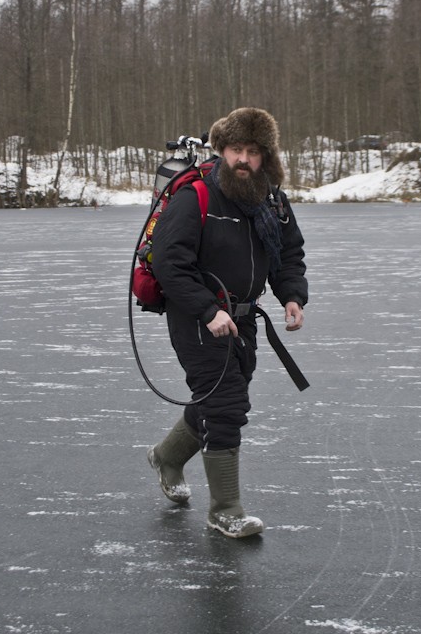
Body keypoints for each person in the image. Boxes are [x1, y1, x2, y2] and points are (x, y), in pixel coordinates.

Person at [146, 107, 308, 538]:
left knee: (219, 399)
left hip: (242, 317)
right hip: (198, 314)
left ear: (265, 156)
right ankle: (226, 510)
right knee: (225, 406)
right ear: (221, 150)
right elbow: (169, 262)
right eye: (236, 149)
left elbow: (288, 253)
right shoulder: (195, 195)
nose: (243, 159)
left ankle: (167, 456)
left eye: (253, 152)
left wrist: (291, 295)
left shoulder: (269, 197)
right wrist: (207, 309)